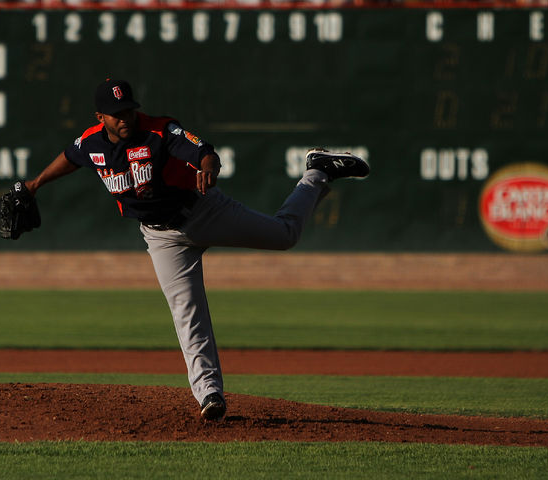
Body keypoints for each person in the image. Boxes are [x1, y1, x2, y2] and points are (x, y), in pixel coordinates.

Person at [23, 78, 369, 421]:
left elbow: (204, 152)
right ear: (101, 117)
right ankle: (209, 393)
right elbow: (70, 157)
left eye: (128, 110)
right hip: (161, 237)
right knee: (187, 312)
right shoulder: (91, 142)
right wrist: (35, 184)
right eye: (116, 113)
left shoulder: (160, 131)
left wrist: (207, 167)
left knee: (285, 235)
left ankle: (317, 172)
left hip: (203, 210)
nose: (125, 117)